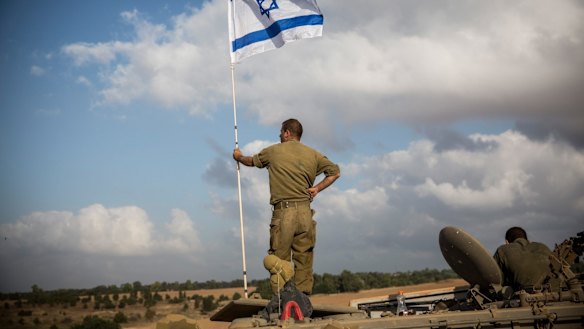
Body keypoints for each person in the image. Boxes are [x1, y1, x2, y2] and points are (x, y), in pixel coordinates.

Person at [233, 118, 340, 295]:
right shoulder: (313, 154)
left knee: (279, 260)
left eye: (281, 132)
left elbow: (251, 161)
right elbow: (335, 172)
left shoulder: (274, 151)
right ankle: (302, 300)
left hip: (284, 213)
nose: (279, 135)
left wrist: (238, 156)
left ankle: (283, 303)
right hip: (306, 213)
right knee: (304, 259)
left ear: (287, 133)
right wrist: (317, 189)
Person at [493, 226, 552, 292]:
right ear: (528, 240)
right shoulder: (543, 247)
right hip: (551, 292)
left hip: (522, 295)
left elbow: (495, 279)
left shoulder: (502, 250)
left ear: (507, 242)